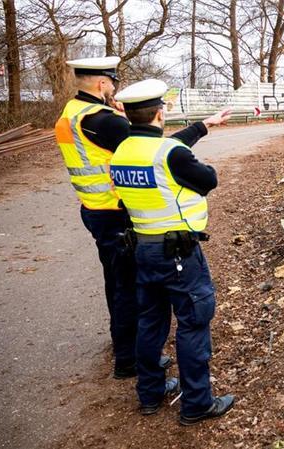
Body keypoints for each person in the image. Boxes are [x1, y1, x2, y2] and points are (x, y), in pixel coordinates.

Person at [56, 56, 200, 379]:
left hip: (92, 209)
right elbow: (156, 152)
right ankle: (128, 359)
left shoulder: (71, 113)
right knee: (128, 287)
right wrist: (201, 128)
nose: (114, 89)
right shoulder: (105, 121)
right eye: (112, 83)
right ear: (101, 83)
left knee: (115, 279)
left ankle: (122, 343)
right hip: (115, 213)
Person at [109, 79, 235, 424]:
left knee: (150, 322)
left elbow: (159, 150)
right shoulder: (172, 154)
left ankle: (150, 394)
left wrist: (204, 126)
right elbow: (208, 179)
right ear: (161, 113)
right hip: (178, 253)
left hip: (142, 251)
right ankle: (196, 404)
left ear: (128, 113)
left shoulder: (121, 151)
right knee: (193, 323)